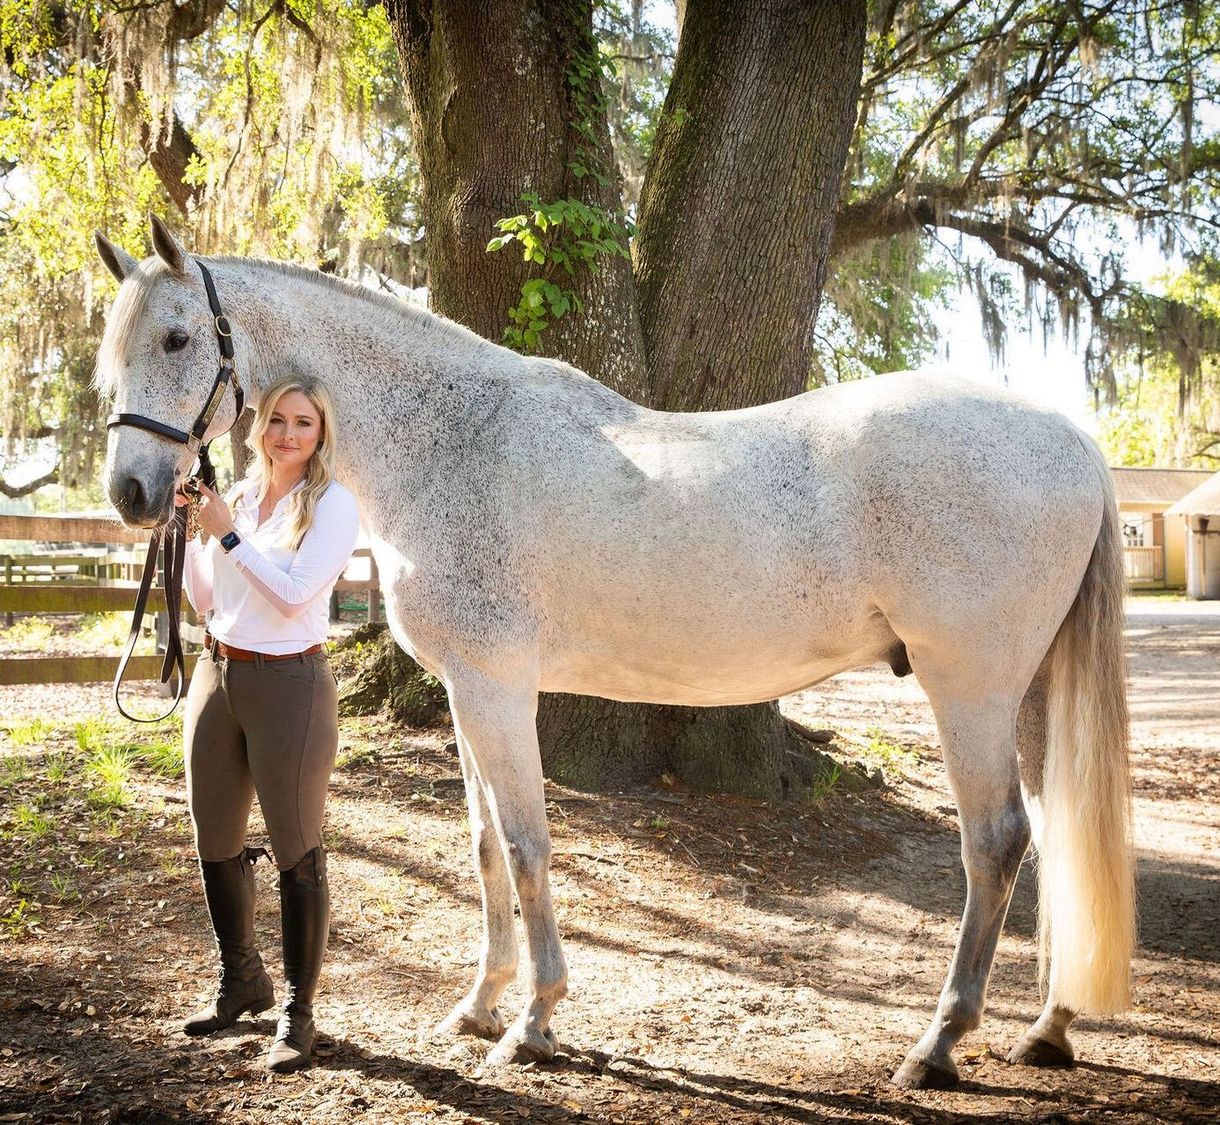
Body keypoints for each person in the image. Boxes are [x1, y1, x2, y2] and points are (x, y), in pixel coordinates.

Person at [177, 375, 360, 1073]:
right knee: (215, 836)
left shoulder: (333, 506)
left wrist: (226, 536)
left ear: (321, 433)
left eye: (303, 423)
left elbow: (289, 599)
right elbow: (205, 597)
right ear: (259, 428)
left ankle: (299, 1011)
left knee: (296, 848)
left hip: (289, 684)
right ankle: (241, 979)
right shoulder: (244, 498)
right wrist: (193, 530)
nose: (287, 433)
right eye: (277, 419)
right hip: (218, 674)